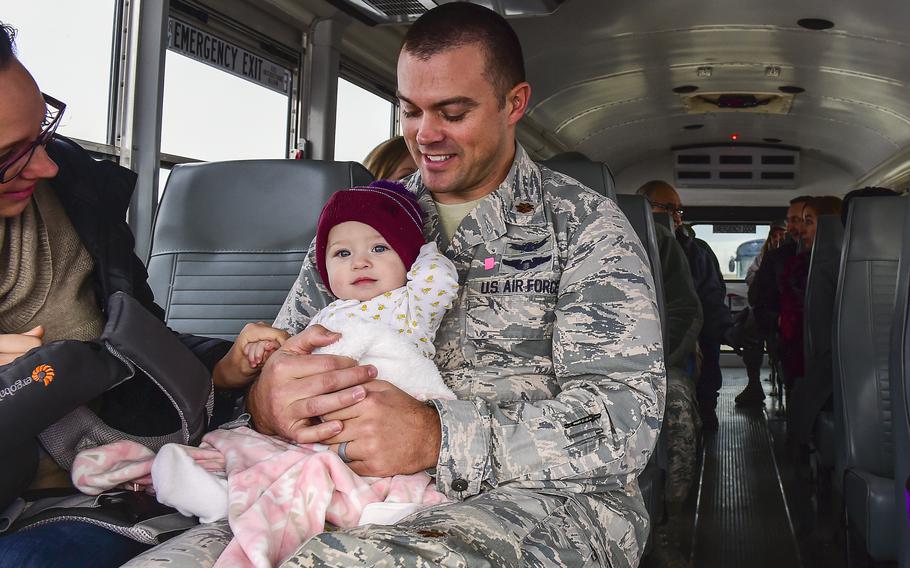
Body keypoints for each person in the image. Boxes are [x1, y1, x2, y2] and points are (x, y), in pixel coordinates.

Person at [240, 4, 663, 566]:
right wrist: (264, 401)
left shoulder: (585, 228)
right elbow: (292, 351)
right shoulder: (363, 222)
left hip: (544, 499)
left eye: (452, 112)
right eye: (410, 111)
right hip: (339, 478)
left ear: (514, 104)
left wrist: (439, 437)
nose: (425, 134)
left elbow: (623, 420)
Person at [75, 181, 461, 567]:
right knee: (247, 446)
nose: (360, 262)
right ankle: (217, 488)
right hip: (308, 422)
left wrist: (425, 252)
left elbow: (438, 283)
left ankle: (349, 508)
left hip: (377, 414)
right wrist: (270, 354)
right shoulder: (328, 313)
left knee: (362, 475)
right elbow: (294, 353)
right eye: (342, 253)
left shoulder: (408, 304)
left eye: (379, 248)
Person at [0, 22, 234, 568]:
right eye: (10, 153)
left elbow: (142, 339)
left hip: (99, 487)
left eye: (43, 133)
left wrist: (226, 367)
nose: (46, 165)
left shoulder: (81, 197)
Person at [638, 179, 732, 430]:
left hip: (687, 348)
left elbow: (710, 301)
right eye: (667, 208)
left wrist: (730, 332)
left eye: (678, 210)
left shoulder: (697, 251)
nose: (676, 216)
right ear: (643, 207)